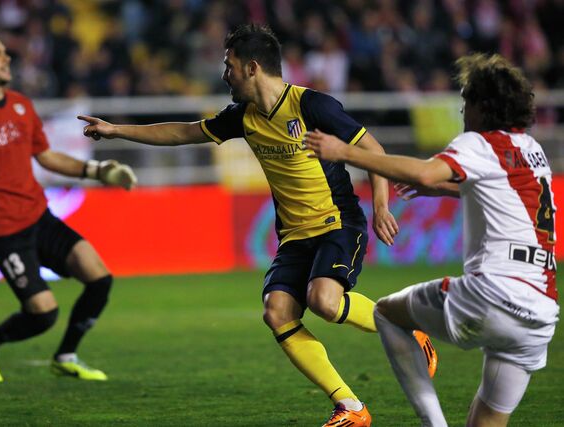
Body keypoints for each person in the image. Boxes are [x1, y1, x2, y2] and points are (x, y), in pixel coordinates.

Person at [78, 24, 437, 426]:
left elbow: (373, 149)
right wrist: (116, 129)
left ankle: (409, 328)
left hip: (337, 221)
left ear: (251, 68)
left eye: (228, 65)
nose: (224, 73)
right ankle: (351, 408)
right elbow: (183, 132)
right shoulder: (243, 117)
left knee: (324, 302)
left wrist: (381, 206)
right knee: (277, 311)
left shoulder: (312, 105)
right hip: (294, 235)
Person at [303, 53, 559, 427]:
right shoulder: (532, 150)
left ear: (483, 107)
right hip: (539, 313)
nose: (462, 113)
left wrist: (344, 151)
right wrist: (443, 191)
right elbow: (502, 195)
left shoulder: (481, 142)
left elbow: (425, 171)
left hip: (494, 293)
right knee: (486, 419)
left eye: (466, 103)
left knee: (387, 314)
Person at [0, 35, 138, 383]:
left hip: (38, 216)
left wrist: (97, 170)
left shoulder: (20, 105)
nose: (6, 59)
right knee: (43, 315)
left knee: (100, 278)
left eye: (5, 53)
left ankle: (66, 355)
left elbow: (46, 156)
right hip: (2, 230)